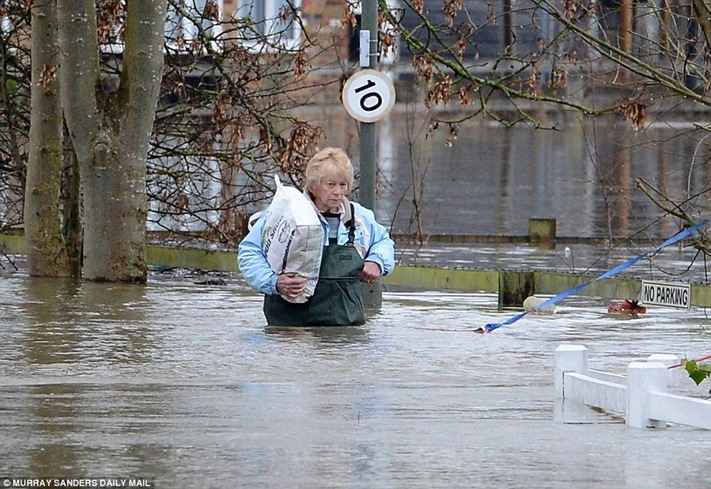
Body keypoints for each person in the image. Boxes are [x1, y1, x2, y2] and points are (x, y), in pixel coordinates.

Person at [238, 147, 395, 326]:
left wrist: (377, 261)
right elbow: (249, 251)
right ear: (314, 184)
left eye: (343, 185)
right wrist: (273, 282)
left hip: (345, 329)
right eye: (330, 184)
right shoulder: (287, 214)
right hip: (288, 328)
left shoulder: (359, 217)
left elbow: (384, 242)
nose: (338, 192)